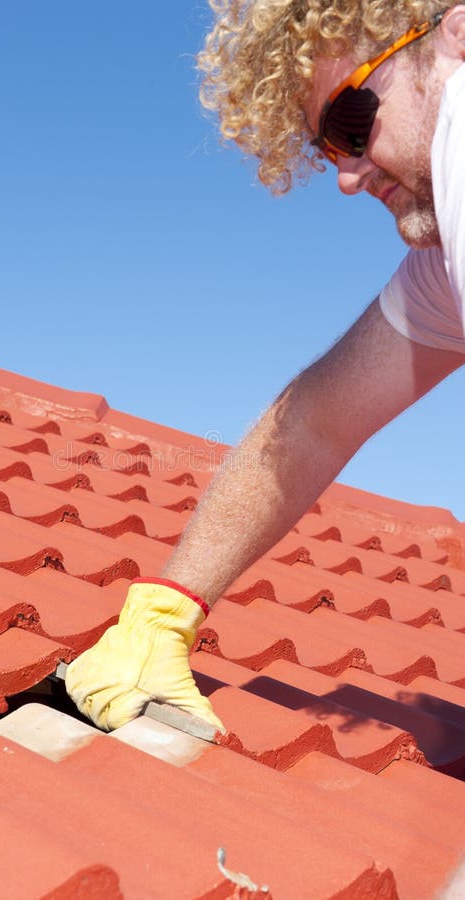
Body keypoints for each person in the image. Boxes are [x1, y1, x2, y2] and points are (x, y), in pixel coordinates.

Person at [66, 0, 465, 733]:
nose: (345, 177)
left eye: (350, 123)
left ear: (455, 34)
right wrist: (165, 611)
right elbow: (313, 422)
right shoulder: (443, 269)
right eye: (325, 149)